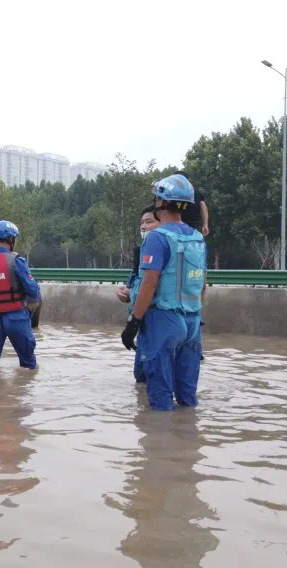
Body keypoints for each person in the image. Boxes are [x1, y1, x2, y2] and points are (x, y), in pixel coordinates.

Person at [121, 174, 207, 411]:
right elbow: (203, 284)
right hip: (192, 323)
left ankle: (161, 445)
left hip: (163, 320)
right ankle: (188, 440)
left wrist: (133, 322)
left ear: (161, 202)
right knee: (188, 396)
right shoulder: (198, 238)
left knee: (160, 397)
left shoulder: (157, 238)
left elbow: (149, 284)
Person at [0, 220, 42, 369]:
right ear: (11, 239)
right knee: (28, 363)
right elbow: (32, 288)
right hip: (16, 316)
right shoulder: (16, 260)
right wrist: (32, 307)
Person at [116, 205, 161, 383]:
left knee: (155, 376)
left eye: (149, 222)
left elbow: (151, 284)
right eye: (141, 223)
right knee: (142, 376)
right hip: (143, 319)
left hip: (158, 318)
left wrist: (132, 323)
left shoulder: (165, 248)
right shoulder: (140, 251)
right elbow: (136, 281)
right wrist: (126, 292)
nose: (143, 227)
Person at [176, 171, 209, 236]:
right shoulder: (196, 192)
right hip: (194, 228)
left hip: (176, 227)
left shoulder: (172, 192)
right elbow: (204, 208)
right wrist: (205, 225)